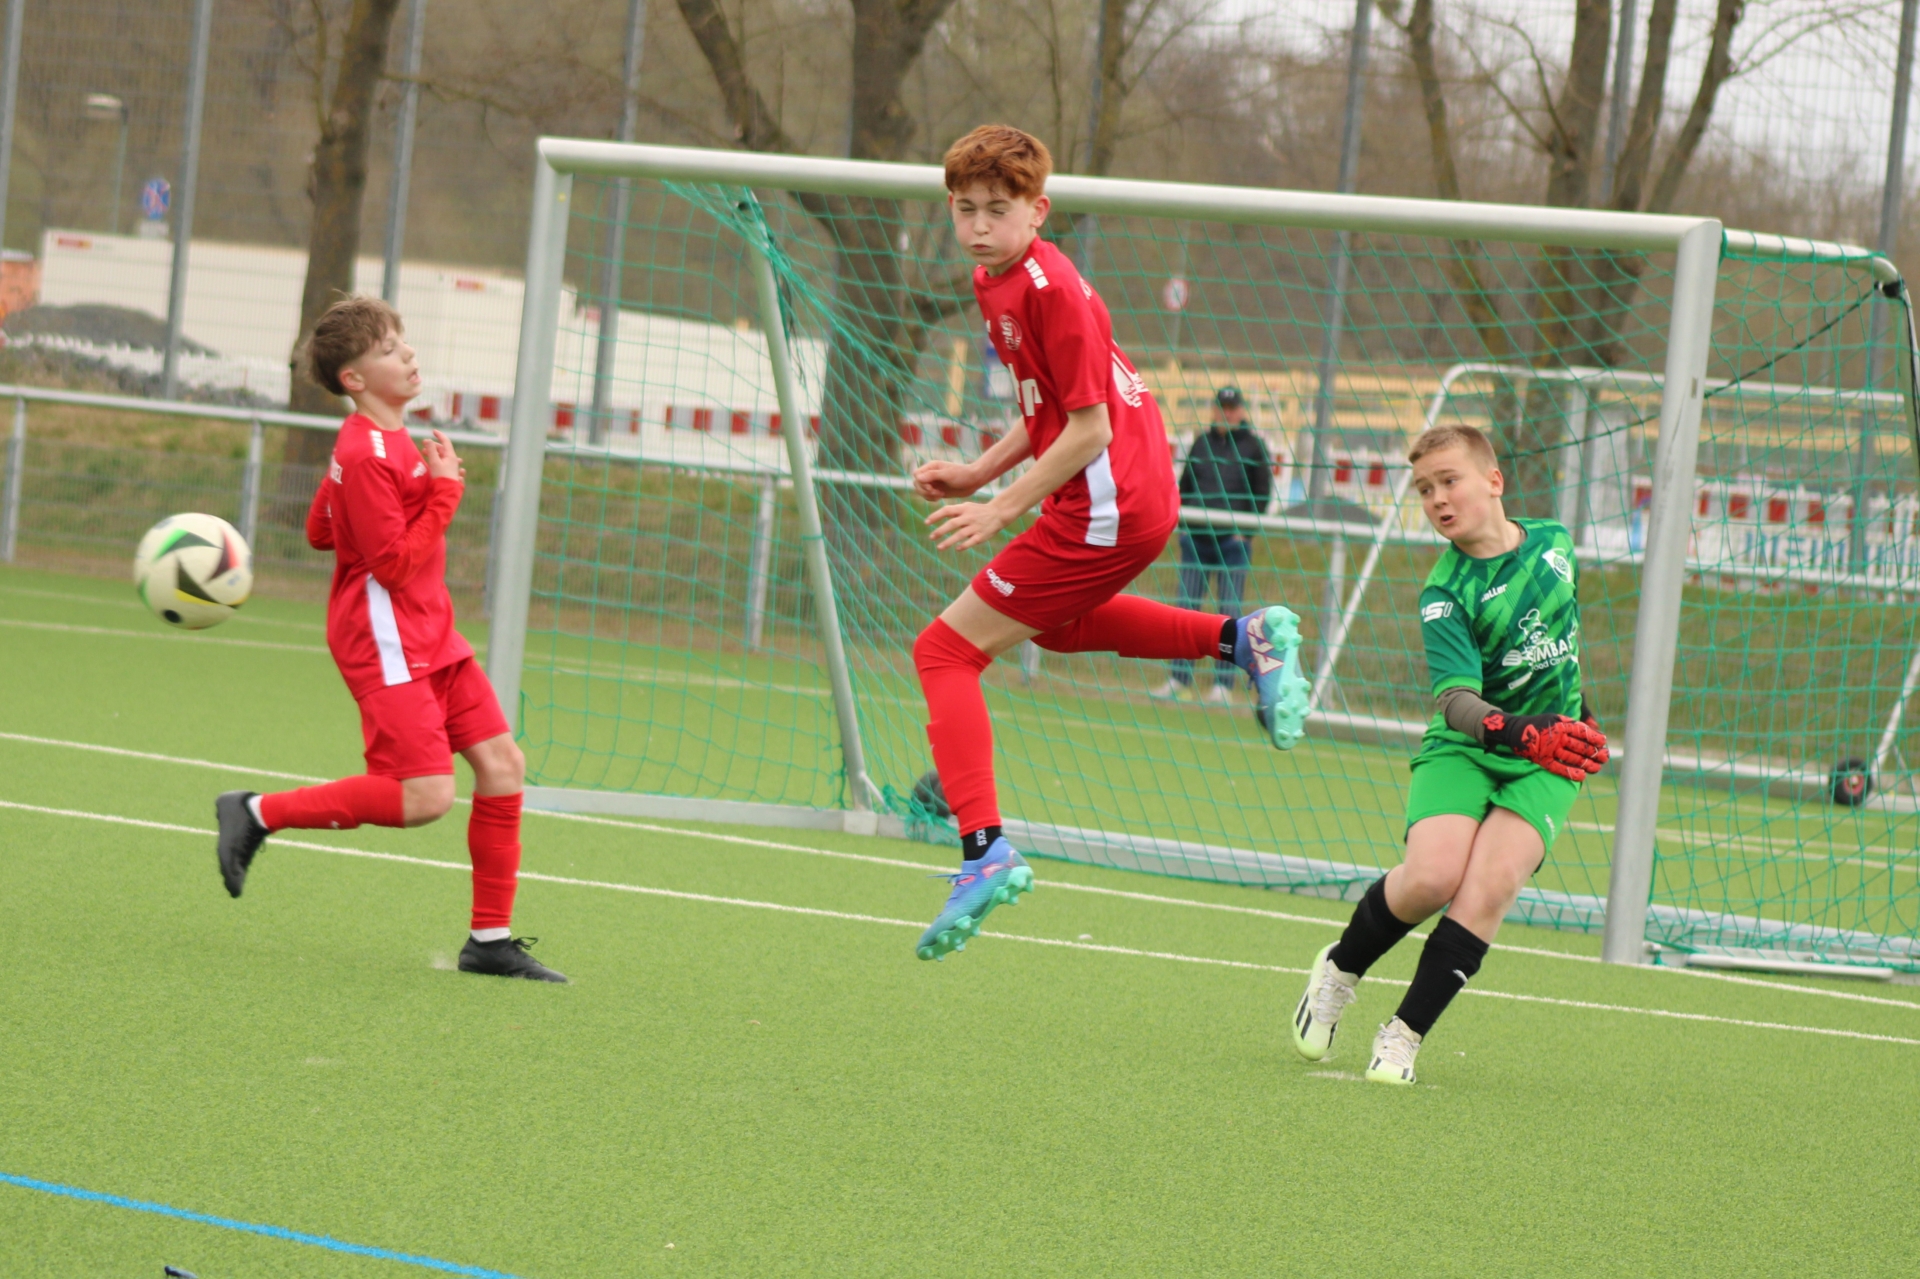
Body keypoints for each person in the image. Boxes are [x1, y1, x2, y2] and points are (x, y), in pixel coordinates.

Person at [907, 124, 1312, 962]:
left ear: (1038, 210)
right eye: (964, 208)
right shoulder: (998, 279)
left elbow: (1087, 429)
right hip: (1125, 495)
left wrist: (998, 508)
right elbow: (1047, 411)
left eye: (997, 208)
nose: (978, 224)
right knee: (1051, 627)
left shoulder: (1049, 289)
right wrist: (977, 471)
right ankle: (1243, 639)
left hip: (1110, 502)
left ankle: (985, 850)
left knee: (944, 650)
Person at [210, 296, 565, 983]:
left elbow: (320, 530)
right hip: (387, 639)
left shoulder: (382, 442)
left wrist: (386, 488)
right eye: (388, 349)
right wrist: (444, 494)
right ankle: (256, 811)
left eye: (403, 341)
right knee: (424, 797)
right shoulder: (366, 450)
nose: (408, 354)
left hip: (432, 631)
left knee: (503, 765)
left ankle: (490, 941)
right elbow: (392, 565)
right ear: (354, 379)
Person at [1289, 424, 1606, 1083]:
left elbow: (1563, 644)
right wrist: (1523, 730)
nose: (1436, 498)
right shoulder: (1445, 593)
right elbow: (1457, 702)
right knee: (1433, 877)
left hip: (1547, 756)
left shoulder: (1555, 543)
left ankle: (1402, 1037)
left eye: (1449, 481)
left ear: (1494, 481)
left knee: (1492, 883)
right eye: (1424, 489)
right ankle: (1340, 969)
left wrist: (1583, 716)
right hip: (1468, 747)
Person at [1152, 385, 1273, 705]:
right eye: (1221, 407)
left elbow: (1262, 494)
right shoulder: (1201, 443)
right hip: (1196, 541)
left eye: (1231, 408)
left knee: (1229, 613)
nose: (1226, 413)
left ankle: (1223, 684)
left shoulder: (1254, 447)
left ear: (1241, 410)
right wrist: (1185, 526)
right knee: (1185, 610)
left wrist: (1245, 532)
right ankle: (1179, 678)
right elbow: (1185, 485)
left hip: (1233, 544)